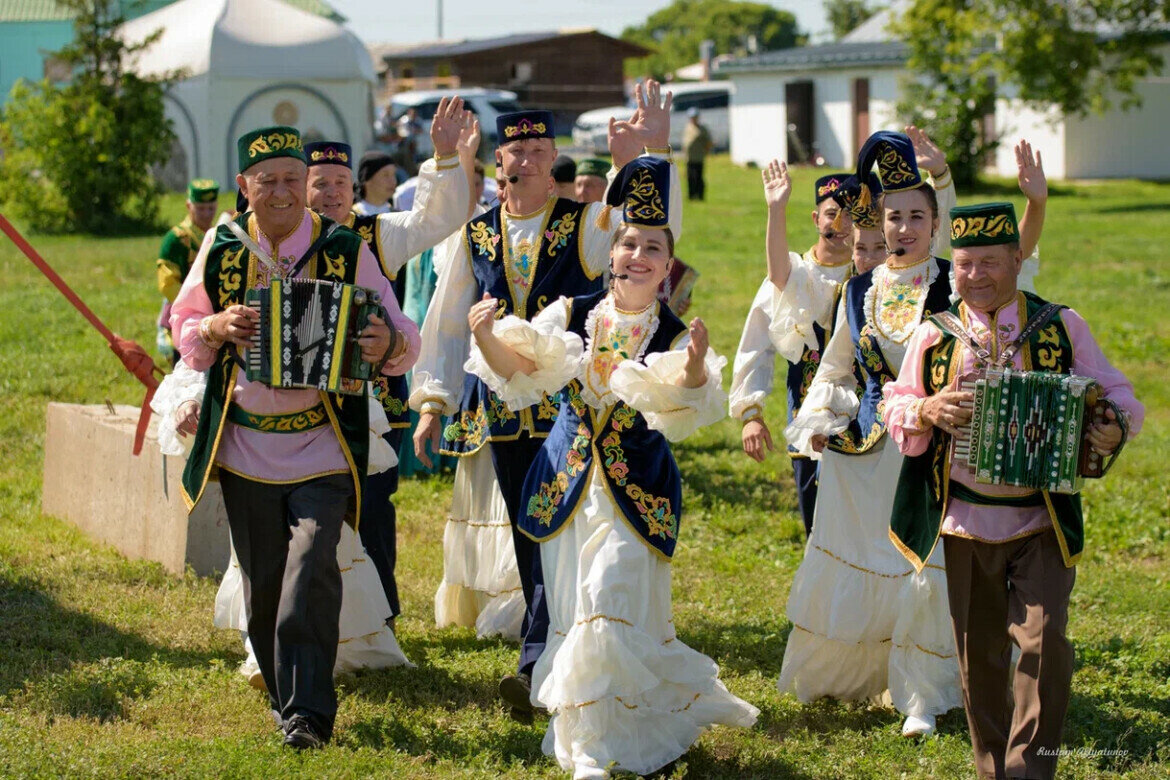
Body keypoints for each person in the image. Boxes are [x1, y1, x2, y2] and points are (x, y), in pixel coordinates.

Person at [465, 157, 757, 778]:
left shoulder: (674, 331)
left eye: (653, 246)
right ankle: (590, 741)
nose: (638, 255)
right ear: (611, 253)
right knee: (577, 609)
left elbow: (686, 393)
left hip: (637, 492)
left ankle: (618, 733)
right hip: (566, 485)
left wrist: (700, 361)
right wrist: (487, 336)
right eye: (628, 243)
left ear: (667, 264)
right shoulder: (573, 314)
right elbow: (521, 368)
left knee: (613, 595)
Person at [410, 80, 681, 723]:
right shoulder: (475, 235)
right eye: (515, 150)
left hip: (572, 410)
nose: (527, 159)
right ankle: (551, 655)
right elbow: (448, 318)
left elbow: (646, 235)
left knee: (568, 528)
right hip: (502, 407)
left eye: (539, 148)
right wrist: (432, 397)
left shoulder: (585, 224)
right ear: (497, 161)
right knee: (532, 530)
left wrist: (646, 157)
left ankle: (545, 659)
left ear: (555, 155)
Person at [169, 124, 422, 750]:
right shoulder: (222, 248)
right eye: (268, 181)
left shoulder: (342, 246)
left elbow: (400, 329)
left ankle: (309, 712)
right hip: (248, 444)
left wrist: (388, 344)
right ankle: (287, 700)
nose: (281, 192)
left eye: (291, 179)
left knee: (312, 565)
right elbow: (183, 324)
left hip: (324, 442)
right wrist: (217, 325)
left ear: (306, 185)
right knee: (262, 583)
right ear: (244, 186)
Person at [883, 201, 1143, 780]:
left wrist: (1110, 426)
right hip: (963, 522)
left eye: (990, 263)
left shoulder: (1060, 326)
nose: (974, 276)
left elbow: (1120, 394)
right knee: (980, 661)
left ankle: (1032, 770)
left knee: (1044, 644)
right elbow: (895, 403)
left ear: (1018, 260)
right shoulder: (936, 333)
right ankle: (992, 770)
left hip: (1040, 519)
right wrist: (927, 407)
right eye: (964, 264)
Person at [777, 130, 965, 738]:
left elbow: (989, 264)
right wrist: (816, 419)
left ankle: (921, 696)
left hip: (935, 449)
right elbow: (834, 367)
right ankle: (855, 675)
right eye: (893, 216)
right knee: (862, 559)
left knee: (923, 563)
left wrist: (945, 178)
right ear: (876, 222)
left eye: (917, 215)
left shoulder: (952, 286)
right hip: (865, 449)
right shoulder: (858, 289)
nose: (904, 228)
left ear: (934, 223)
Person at [298, 108, 471, 626]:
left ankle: (381, 621)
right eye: (321, 182)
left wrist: (442, 159)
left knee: (372, 506)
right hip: (300, 405)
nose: (332, 193)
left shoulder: (378, 235)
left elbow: (437, 220)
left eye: (342, 183)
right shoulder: (285, 240)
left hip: (374, 401)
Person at [156, 179, 219, 364]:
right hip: (184, 314)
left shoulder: (219, 235)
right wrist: (194, 307)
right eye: (200, 208)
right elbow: (168, 284)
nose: (206, 214)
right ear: (188, 205)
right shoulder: (175, 240)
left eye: (211, 208)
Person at [681, 107, 713, 201]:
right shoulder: (688, 127)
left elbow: (708, 142)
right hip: (689, 158)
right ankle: (691, 195)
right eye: (691, 117)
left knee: (698, 177)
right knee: (690, 177)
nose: (693, 119)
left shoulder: (702, 129)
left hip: (698, 157)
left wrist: (706, 152)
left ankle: (700, 196)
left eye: (695, 117)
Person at [354, 150, 398, 216]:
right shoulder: (350, 219)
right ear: (367, 180)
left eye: (393, 174)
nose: (393, 181)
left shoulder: (399, 218)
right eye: (386, 175)